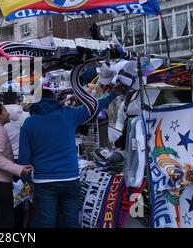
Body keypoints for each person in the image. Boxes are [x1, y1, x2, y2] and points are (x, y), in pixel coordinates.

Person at [18, 87, 121, 228]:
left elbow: (24, 161)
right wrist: (115, 92)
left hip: (44, 181)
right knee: (71, 221)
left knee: (45, 222)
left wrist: (27, 184)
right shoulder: (69, 114)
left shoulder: (29, 123)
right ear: (55, 100)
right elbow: (95, 106)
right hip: (71, 178)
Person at [2, 92, 30, 228]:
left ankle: (8, 221)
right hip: (24, 160)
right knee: (24, 191)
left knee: (7, 191)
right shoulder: (26, 116)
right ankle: (20, 222)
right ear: (17, 99)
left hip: (5, 159)